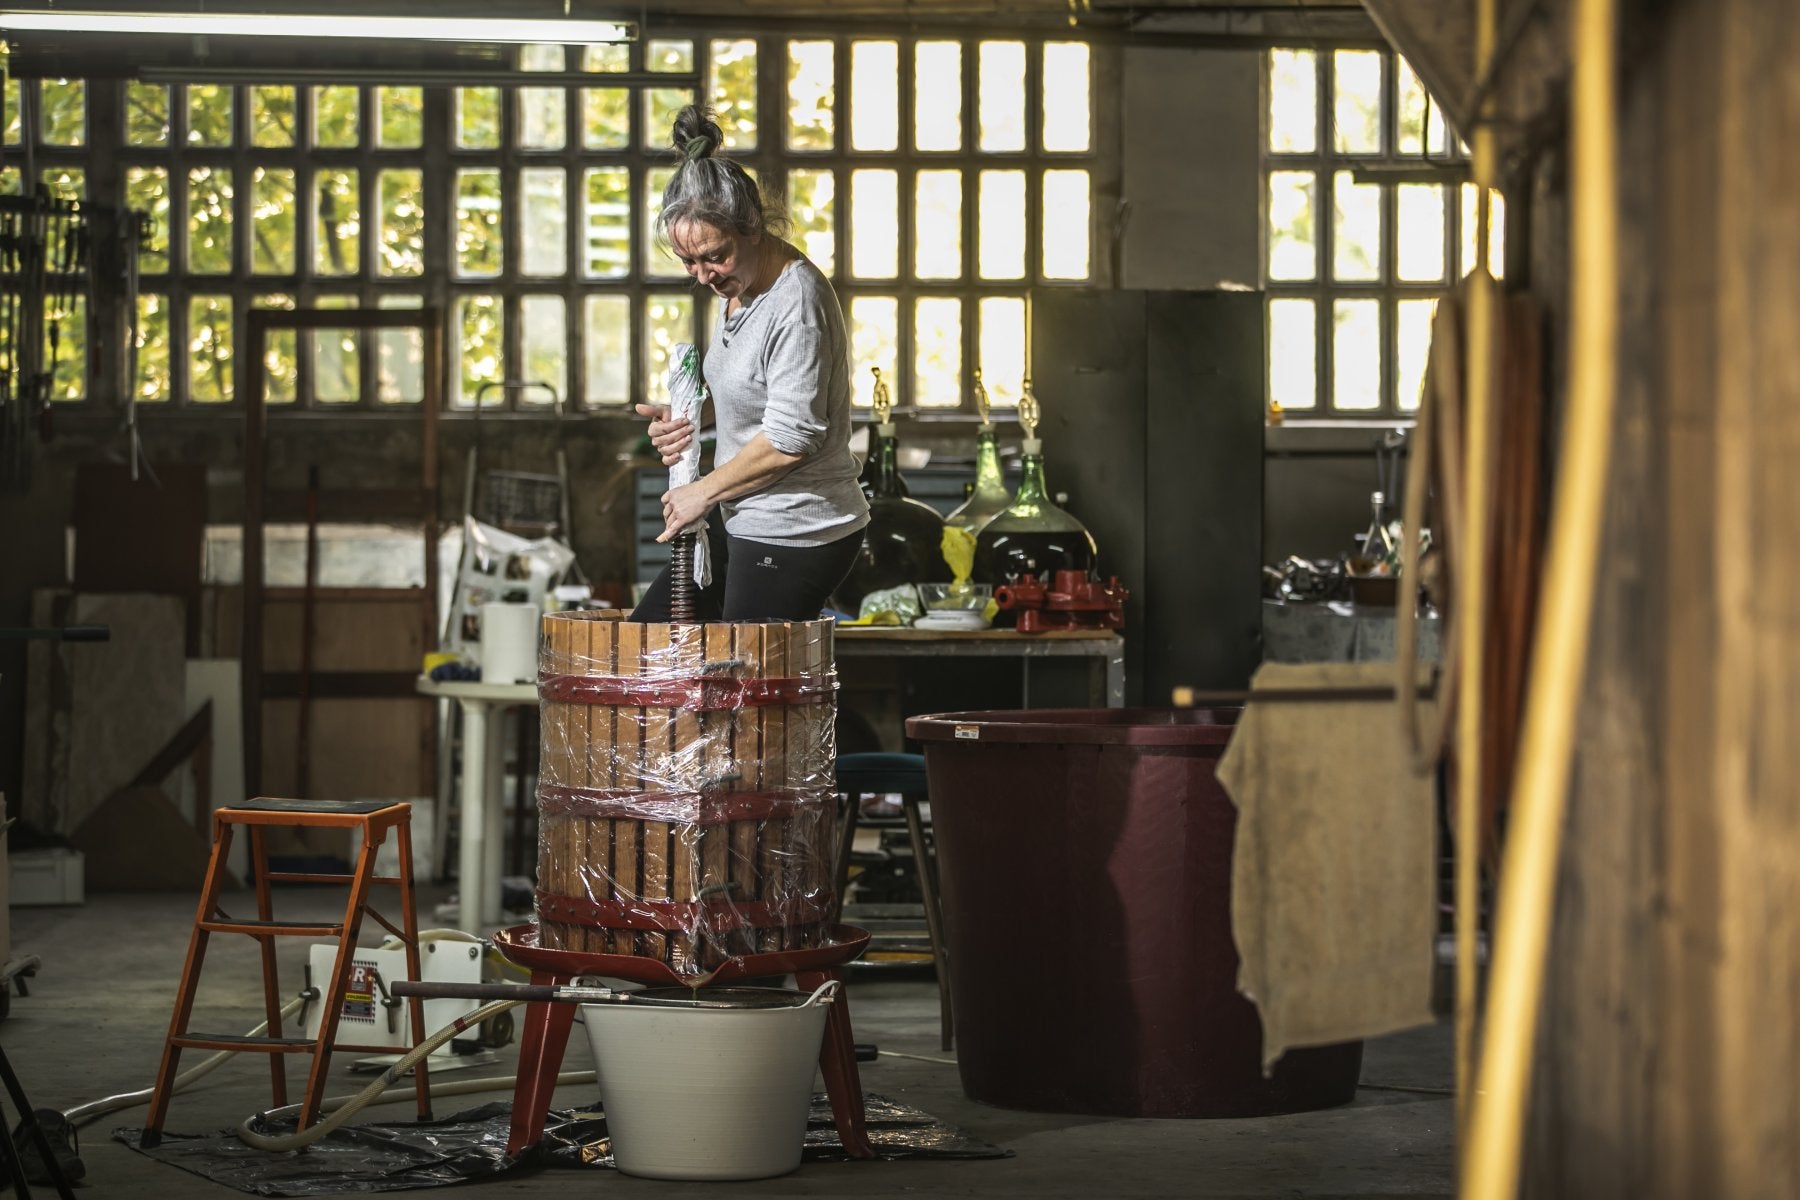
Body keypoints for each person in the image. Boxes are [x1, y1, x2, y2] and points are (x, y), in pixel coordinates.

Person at [630, 105, 869, 622]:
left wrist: (701, 493)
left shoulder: (796, 303)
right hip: (743, 512)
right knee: (649, 641)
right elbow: (756, 391)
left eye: (713, 256)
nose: (703, 275)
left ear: (753, 226)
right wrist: (693, 418)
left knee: (745, 691)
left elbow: (791, 437)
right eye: (688, 261)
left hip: (797, 528)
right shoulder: (740, 284)